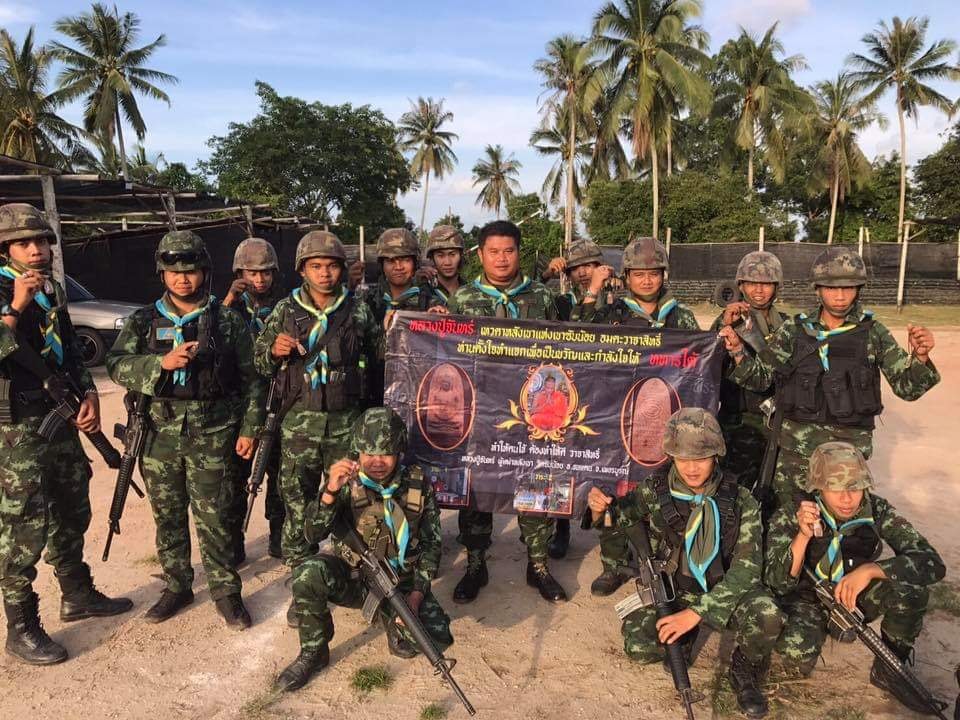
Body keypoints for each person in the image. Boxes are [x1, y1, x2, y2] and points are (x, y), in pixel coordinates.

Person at [106, 230, 264, 630]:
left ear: (205, 273)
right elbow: (116, 364)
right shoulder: (144, 321)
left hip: (214, 434)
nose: (182, 279)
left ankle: (226, 591)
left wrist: (249, 429)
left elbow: (253, 380)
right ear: (161, 274)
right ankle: (178, 585)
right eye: (173, 272)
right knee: (168, 515)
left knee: (216, 516)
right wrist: (157, 365)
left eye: (191, 271)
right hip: (158, 437)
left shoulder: (227, 321)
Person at [588, 408, 783, 719]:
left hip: (722, 590)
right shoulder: (655, 490)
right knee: (638, 645)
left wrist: (696, 614)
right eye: (682, 458)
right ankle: (688, 636)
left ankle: (744, 667)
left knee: (769, 616)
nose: (691, 468)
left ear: (716, 456)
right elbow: (622, 516)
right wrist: (600, 509)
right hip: (675, 588)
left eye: (701, 458)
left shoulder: (741, 499)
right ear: (671, 457)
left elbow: (746, 570)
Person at [0, 203, 132, 665]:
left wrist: (89, 394)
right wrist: (14, 306)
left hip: (58, 417)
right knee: (22, 525)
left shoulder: (52, 289)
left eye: (42, 242)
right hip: (15, 430)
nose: (36, 250)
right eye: (24, 243)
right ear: (6, 248)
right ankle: (20, 626)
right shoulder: (6, 290)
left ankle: (76, 592)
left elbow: (70, 351)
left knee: (71, 505)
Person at [719, 246, 940, 512]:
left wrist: (921, 358)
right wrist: (738, 353)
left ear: (859, 289)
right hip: (796, 456)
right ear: (817, 289)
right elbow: (763, 379)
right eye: (831, 288)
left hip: (847, 458)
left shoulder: (873, 333)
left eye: (848, 288)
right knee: (786, 529)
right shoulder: (794, 329)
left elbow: (907, 388)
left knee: (847, 534)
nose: (839, 296)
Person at [254, 231, 382, 627]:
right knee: (299, 505)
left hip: (346, 424)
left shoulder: (359, 310)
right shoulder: (284, 311)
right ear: (302, 270)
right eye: (316, 266)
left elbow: (381, 357)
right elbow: (258, 363)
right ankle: (304, 586)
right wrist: (271, 351)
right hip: (299, 426)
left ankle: (354, 577)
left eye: (331, 266)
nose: (325, 273)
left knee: (350, 503)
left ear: (342, 269)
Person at [274, 407, 452, 691]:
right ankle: (314, 652)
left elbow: (432, 544)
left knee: (437, 637)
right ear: (357, 451)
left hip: (401, 583)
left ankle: (391, 618)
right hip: (356, 579)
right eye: (369, 453)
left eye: (386, 453)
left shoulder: (418, 485)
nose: (377, 462)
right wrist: (330, 491)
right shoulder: (347, 483)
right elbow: (311, 533)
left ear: (400, 451)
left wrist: (416, 596)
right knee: (308, 575)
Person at [764, 441, 945, 716]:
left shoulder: (876, 511)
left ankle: (890, 668)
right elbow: (777, 582)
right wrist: (801, 536)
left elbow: (932, 562)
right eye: (836, 488)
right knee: (796, 654)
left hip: (853, 595)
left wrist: (872, 571)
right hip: (805, 599)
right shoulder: (795, 512)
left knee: (910, 591)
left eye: (855, 487)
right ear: (818, 487)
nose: (847, 499)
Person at [445, 220, 567, 603]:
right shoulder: (463, 300)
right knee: (477, 487)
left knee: (537, 483)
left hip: (533, 413)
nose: (501, 259)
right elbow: (449, 353)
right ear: (479, 255)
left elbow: (564, 352)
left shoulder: (541, 298)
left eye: (509, 251)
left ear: (519, 253)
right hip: (482, 410)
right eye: (493, 251)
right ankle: (476, 563)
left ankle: (538, 563)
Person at [582, 234, 700, 597]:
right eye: (638, 274)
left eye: (653, 273)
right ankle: (615, 563)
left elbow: (699, 364)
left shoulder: (681, 316)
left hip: (667, 415)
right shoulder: (612, 315)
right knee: (614, 486)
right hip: (619, 416)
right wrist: (591, 293)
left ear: (664, 275)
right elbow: (581, 344)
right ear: (626, 277)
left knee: (663, 487)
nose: (647, 280)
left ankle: (663, 558)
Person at [223, 237, 286, 562]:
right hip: (240, 403)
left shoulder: (286, 306)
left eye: (265, 272)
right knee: (235, 475)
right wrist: (231, 298)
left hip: (277, 399)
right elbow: (212, 337)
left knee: (278, 473)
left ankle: (278, 536)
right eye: (251, 272)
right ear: (239, 272)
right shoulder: (228, 308)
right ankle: (234, 542)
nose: (259, 279)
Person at [710, 251, 789, 491]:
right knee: (733, 492)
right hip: (737, 422)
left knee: (774, 494)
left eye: (766, 284)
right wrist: (726, 325)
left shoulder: (788, 325)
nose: (759, 290)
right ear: (740, 286)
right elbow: (709, 366)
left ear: (776, 287)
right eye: (752, 283)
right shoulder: (725, 321)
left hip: (778, 424)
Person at [543, 238, 616, 322]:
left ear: (599, 266)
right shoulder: (563, 303)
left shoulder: (615, 298)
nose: (582, 274)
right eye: (574, 269)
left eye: (587, 265)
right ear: (569, 275)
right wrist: (546, 275)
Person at [423, 224, 467, 303]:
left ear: (461, 256)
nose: (447, 262)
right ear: (432, 258)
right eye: (440, 256)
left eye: (452, 254)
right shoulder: (423, 292)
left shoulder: (472, 292)